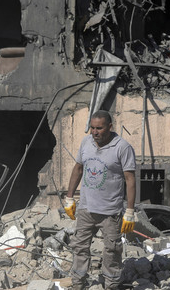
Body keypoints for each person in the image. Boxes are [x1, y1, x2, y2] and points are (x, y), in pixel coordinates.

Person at [64, 110, 137, 290]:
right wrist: (69, 197)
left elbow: (130, 179)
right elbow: (78, 169)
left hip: (110, 212)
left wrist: (129, 210)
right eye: (92, 128)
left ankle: (111, 285)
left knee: (112, 250)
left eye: (99, 128)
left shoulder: (123, 147)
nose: (94, 132)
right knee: (80, 247)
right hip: (86, 209)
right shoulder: (86, 142)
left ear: (110, 127)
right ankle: (78, 284)